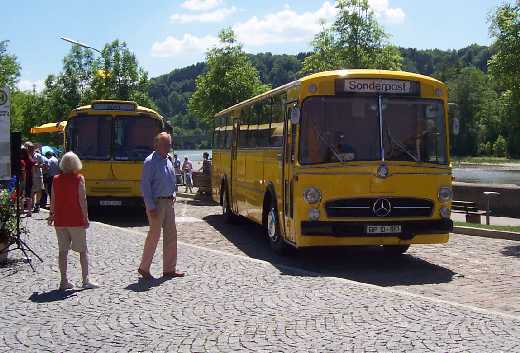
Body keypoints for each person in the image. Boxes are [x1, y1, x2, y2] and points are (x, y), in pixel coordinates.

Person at [47, 152, 98, 290]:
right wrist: (85, 217)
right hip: (75, 219)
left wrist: (51, 215)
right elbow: (82, 200)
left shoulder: (56, 179)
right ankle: (85, 280)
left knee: (62, 251)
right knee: (82, 250)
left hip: (60, 219)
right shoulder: (79, 178)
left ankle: (63, 281)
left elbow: (53, 199)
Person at [138, 132, 184, 279]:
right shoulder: (150, 161)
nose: (167, 147)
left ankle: (169, 269)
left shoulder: (169, 160)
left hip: (169, 202)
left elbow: (172, 181)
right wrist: (150, 206)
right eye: (164, 144)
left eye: (169, 145)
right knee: (154, 236)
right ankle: (144, 268)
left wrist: (174, 195)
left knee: (171, 235)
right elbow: (145, 186)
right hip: (156, 203)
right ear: (156, 144)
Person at [22, 143, 35, 216]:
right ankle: (29, 211)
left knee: (22, 194)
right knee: (28, 194)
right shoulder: (30, 158)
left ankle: (23, 210)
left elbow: (24, 170)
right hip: (29, 177)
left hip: (24, 178)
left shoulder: (23, 158)